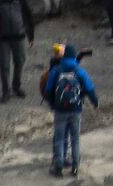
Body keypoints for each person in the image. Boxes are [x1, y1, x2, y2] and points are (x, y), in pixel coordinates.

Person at [40, 43, 98, 178]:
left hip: (60, 110)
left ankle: (58, 167)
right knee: (75, 139)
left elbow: (48, 91)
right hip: (76, 109)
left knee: (59, 139)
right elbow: (90, 89)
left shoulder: (56, 70)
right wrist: (95, 102)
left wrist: (53, 105)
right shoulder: (79, 71)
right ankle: (75, 167)